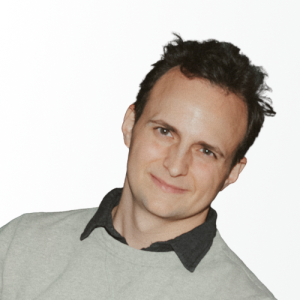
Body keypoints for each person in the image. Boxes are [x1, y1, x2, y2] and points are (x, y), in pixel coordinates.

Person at [0, 34, 277, 300]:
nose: (176, 165)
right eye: (165, 131)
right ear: (130, 124)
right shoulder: (18, 248)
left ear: (232, 172)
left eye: (206, 151)